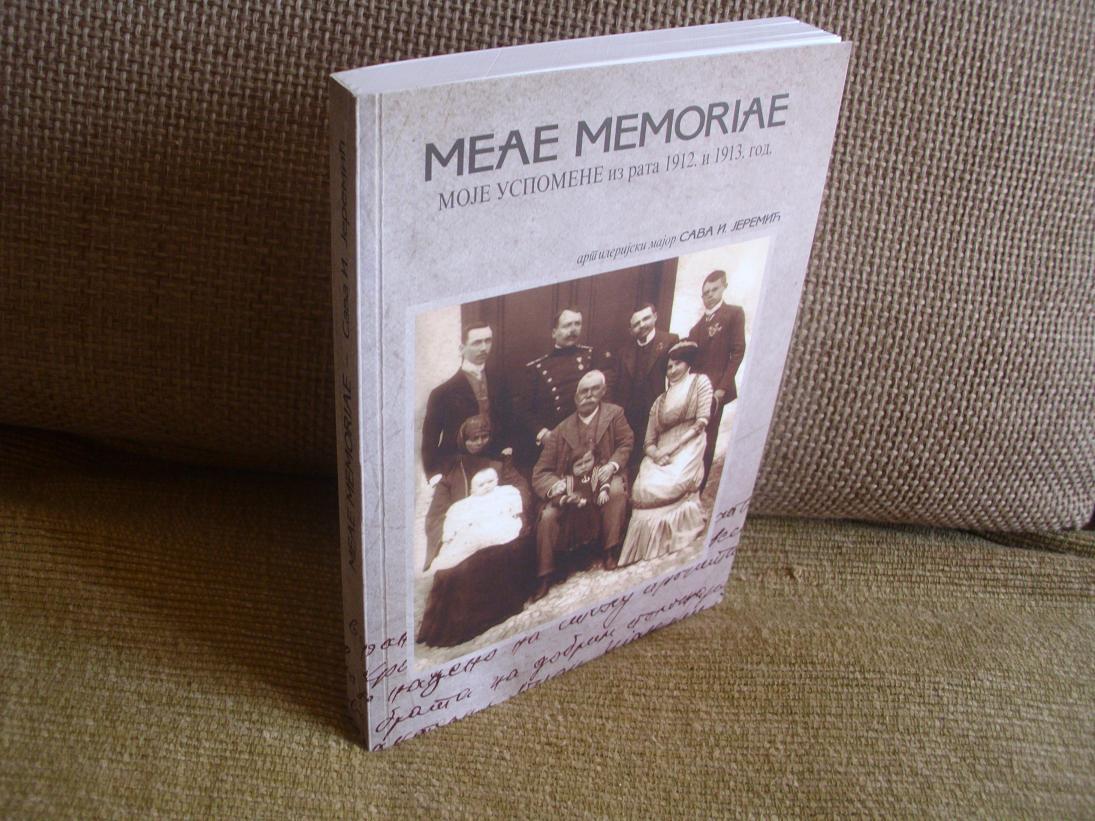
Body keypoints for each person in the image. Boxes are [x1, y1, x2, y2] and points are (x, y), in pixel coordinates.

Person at [417, 416, 532, 648]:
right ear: (463, 440)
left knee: (486, 559)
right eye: (473, 438)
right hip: (463, 533)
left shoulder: (499, 463)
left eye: (484, 436)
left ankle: (491, 616)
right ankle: (451, 629)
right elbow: (437, 513)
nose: (479, 442)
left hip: (497, 530)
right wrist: (447, 538)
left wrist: (513, 512)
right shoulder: (452, 468)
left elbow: (520, 488)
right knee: (452, 570)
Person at [531, 370, 633, 601]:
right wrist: (555, 486)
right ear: (576, 397)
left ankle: (610, 550)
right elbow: (541, 471)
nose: (588, 395)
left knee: (615, 491)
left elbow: (626, 443)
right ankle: (545, 575)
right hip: (572, 486)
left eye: (594, 389)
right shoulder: (560, 430)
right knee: (548, 515)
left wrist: (613, 465)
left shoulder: (614, 414)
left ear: (603, 391)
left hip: (603, 477)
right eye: (583, 391)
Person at [618, 341, 713, 567]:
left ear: (688, 363)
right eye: (669, 367)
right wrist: (656, 454)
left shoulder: (700, 382)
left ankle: (677, 531)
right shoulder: (659, 401)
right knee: (642, 488)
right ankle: (643, 545)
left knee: (671, 484)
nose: (672, 370)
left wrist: (672, 448)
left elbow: (701, 422)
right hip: (661, 452)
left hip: (689, 443)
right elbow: (649, 442)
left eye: (677, 364)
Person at [517, 307, 615, 469]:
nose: (573, 329)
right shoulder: (537, 368)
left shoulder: (593, 357)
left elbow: (606, 398)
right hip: (558, 443)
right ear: (554, 332)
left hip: (593, 439)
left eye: (577, 324)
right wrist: (543, 434)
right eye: (567, 325)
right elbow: (523, 410)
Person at [421, 320, 514, 479]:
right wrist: (434, 476)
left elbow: (509, 422)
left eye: (488, 341)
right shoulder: (441, 393)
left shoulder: (500, 383)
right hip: (457, 469)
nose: (484, 347)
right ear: (461, 349)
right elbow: (429, 442)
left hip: (495, 466)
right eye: (477, 342)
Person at [687, 270, 746, 483]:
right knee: (692, 439)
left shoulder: (734, 314)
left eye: (714, 289)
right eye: (706, 292)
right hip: (696, 392)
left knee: (708, 439)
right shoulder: (696, 329)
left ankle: (700, 487)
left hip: (716, 392)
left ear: (724, 287)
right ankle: (688, 483)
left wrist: (722, 388)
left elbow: (737, 352)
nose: (710, 295)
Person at [615, 303, 678, 476]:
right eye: (636, 323)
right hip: (631, 417)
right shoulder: (624, 352)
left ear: (655, 317)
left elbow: (676, 377)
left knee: (656, 460)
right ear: (631, 329)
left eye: (646, 319)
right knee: (632, 459)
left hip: (658, 413)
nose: (642, 325)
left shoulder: (670, 341)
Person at [432, 467, 524, 571]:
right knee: (461, 545)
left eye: (490, 481)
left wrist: (515, 512)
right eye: (481, 485)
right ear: (472, 490)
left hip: (499, 525)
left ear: (497, 480)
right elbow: (453, 520)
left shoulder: (505, 491)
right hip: (475, 531)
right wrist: (448, 537)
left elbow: (515, 501)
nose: (486, 486)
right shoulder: (465, 504)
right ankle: (445, 563)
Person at [545, 447, 610, 561]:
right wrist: (568, 499)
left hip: (592, 511)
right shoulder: (568, 480)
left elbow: (604, 482)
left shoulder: (595, 472)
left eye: (587, 462)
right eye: (579, 465)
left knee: (595, 532)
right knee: (573, 538)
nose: (584, 467)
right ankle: (577, 559)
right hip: (574, 516)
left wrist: (604, 491)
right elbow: (556, 499)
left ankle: (594, 554)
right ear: (571, 467)